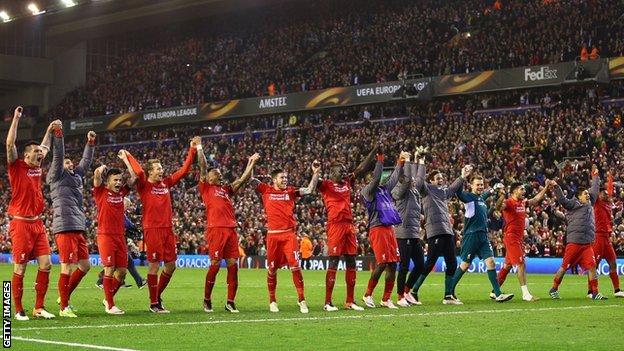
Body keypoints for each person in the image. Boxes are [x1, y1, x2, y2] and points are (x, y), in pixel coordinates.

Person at [119, 139, 198, 313]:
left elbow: (184, 171)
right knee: (154, 266)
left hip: (168, 230)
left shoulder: (166, 183)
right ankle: (154, 303)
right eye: (158, 168)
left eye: (161, 168)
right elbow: (138, 171)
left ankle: (156, 296)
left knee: (171, 266)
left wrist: (192, 149)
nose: (161, 170)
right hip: (152, 230)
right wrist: (128, 156)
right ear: (150, 172)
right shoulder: (144, 185)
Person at [197, 137, 260, 313]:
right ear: (208, 177)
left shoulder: (225, 190)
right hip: (216, 230)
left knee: (233, 265)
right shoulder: (206, 187)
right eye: (215, 173)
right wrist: (199, 147)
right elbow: (202, 166)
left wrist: (251, 162)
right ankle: (207, 299)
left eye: (219, 172)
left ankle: (230, 302)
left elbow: (242, 180)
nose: (219, 174)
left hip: (231, 230)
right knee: (215, 264)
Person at [6, 106, 57, 321]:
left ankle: (38, 307)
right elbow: (9, 144)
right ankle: (16, 309)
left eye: (40, 152)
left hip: (37, 224)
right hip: (20, 224)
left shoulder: (37, 165)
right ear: (26, 155)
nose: (40, 154)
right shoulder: (16, 166)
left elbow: (45, 145)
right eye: (35, 152)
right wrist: (16, 119)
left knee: (46, 264)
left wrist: (50, 129)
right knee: (21, 267)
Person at [250, 162, 320, 313]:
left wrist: (315, 173)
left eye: (286, 177)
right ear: (274, 179)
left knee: (295, 266)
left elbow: (309, 189)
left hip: (289, 235)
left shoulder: (290, 192)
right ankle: (272, 301)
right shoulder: (266, 190)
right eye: (282, 177)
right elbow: (250, 180)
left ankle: (301, 299)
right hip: (273, 236)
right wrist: (252, 162)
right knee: (272, 269)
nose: (285, 179)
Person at [317, 146, 376, 311]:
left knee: (351, 261)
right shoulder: (327, 185)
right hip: (335, 226)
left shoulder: (347, 182)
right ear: (333, 173)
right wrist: (314, 172)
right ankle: (328, 302)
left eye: (344, 170)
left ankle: (350, 301)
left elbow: (361, 168)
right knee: (334, 261)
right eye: (341, 171)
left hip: (349, 226)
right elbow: (314, 182)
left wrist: (373, 151)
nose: (345, 173)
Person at [408, 147, 470, 305]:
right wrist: (420, 161)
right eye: (438, 178)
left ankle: (448, 296)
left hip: (447, 231)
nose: (441, 180)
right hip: (435, 231)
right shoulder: (426, 190)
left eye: (442, 177)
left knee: (452, 263)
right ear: (431, 181)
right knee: (429, 263)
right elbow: (419, 180)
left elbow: (453, 188)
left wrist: (462, 176)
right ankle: (413, 291)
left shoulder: (443, 192)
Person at [47, 125, 96, 318]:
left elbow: (85, 162)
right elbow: (58, 156)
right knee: (66, 266)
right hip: (64, 225)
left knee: (85, 266)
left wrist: (90, 142)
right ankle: (64, 307)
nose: (70, 164)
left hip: (78, 225)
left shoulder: (77, 177)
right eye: (67, 162)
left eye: (70, 163)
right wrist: (58, 134)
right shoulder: (56, 175)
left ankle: (64, 295)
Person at [450, 175, 514, 303]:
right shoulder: (468, 197)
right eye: (477, 184)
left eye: (481, 184)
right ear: (472, 186)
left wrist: (494, 189)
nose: (480, 187)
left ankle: (498, 294)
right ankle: (449, 292)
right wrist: (462, 177)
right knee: (465, 264)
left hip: (483, 236)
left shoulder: (481, 199)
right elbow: (457, 192)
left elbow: (485, 195)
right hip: (471, 235)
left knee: (491, 262)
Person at [547, 166, 608, 300]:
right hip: (574, 243)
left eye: (587, 193)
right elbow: (562, 200)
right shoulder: (572, 204)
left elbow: (595, 188)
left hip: (587, 244)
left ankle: (595, 292)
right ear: (579, 197)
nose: (588, 195)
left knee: (592, 267)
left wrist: (595, 175)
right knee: (564, 267)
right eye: (585, 194)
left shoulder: (590, 202)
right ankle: (553, 288)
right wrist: (556, 186)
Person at [361, 150, 406, 309]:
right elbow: (376, 179)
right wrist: (380, 160)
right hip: (377, 229)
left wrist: (400, 162)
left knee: (393, 264)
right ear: (367, 181)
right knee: (382, 263)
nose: (375, 179)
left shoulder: (385, 190)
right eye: (371, 178)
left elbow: (394, 177)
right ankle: (367, 294)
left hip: (389, 228)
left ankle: (386, 298)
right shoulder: (367, 192)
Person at [494, 181, 550, 301]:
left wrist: (546, 187)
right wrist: (502, 195)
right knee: (521, 264)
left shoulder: (523, 203)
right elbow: (498, 207)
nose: (524, 191)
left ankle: (495, 291)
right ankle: (526, 294)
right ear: (514, 191)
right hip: (511, 237)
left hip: (518, 238)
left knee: (508, 266)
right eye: (521, 189)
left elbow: (535, 200)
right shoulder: (509, 202)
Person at [93, 165, 134, 315]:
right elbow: (97, 177)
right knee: (109, 269)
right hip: (105, 235)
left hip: (120, 236)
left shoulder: (121, 193)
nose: (118, 182)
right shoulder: (101, 192)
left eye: (119, 180)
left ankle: (107, 298)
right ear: (108, 182)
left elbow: (134, 177)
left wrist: (126, 160)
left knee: (122, 272)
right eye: (115, 180)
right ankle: (110, 305)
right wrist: (99, 170)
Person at [391, 151, 424, 307]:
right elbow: (408, 179)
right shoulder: (399, 189)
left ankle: (406, 290)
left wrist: (421, 162)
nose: (412, 180)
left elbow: (419, 179)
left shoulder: (414, 190)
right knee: (404, 265)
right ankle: (399, 297)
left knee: (420, 265)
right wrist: (409, 161)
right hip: (403, 232)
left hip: (414, 232)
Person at [95, 198, 146, 290]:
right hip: (113, 241)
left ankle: (131, 281)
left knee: (126, 263)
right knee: (119, 264)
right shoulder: (118, 213)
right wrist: (135, 229)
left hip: (119, 241)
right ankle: (101, 281)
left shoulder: (121, 213)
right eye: (127, 205)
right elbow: (127, 224)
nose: (128, 207)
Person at [588, 172, 624, 298]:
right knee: (594, 265)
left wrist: (610, 177)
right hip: (598, 237)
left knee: (613, 262)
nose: (607, 195)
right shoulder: (597, 202)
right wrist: (595, 175)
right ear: (599, 195)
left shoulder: (608, 202)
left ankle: (617, 290)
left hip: (607, 238)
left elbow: (609, 189)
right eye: (604, 193)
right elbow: (595, 188)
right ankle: (590, 291)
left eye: (608, 194)